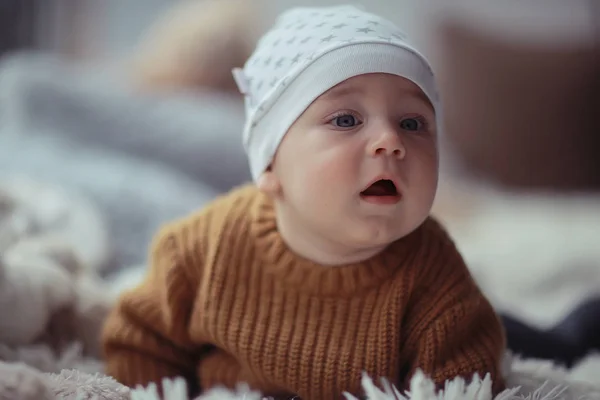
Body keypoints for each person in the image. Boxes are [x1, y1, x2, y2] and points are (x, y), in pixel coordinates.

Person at [101, 5, 506, 399]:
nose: (391, 141)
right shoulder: (202, 247)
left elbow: (463, 382)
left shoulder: (436, 275)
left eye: (413, 123)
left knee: (514, 330)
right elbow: (140, 341)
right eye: (346, 120)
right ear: (271, 164)